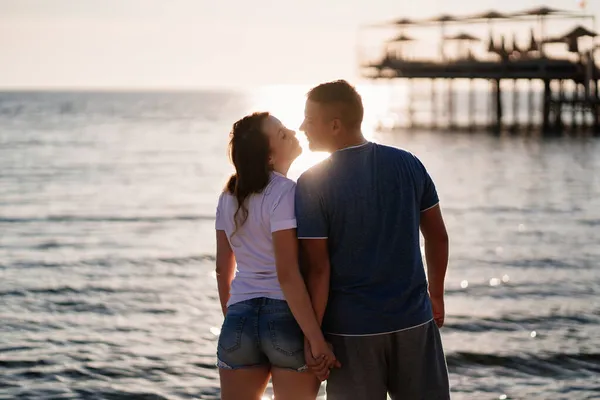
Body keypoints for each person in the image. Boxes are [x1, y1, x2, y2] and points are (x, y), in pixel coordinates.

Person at [295, 80, 451, 399]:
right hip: (414, 322)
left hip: (351, 333)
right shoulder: (408, 163)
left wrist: (314, 339)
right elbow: (437, 236)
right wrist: (436, 295)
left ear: (335, 125)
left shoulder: (312, 183)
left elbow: (318, 270)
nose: (301, 127)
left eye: (309, 120)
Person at [214, 112, 338, 400]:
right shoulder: (285, 192)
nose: (293, 132)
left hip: (239, 317)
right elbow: (288, 273)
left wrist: (232, 315)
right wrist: (316, 339)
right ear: (269, 158)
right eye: (283, 134)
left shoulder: (227, 196)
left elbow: (223, 269)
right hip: (284, 319)